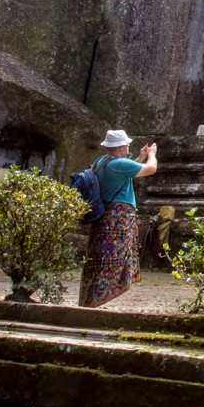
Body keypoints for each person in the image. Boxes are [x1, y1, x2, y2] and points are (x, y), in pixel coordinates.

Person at [78, 129, 157, 308]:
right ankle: (102, 297)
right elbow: (151, 169)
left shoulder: (102, 161)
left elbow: (125, 173)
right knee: (114, 257)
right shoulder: (119, 164)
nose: (128, 146)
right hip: (117, 217)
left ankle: (92, 298)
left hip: (104, 215)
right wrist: (151, 155)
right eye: (127, 144)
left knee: (99, 257)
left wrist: (139, 158)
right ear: (121, 147)